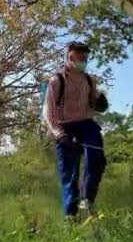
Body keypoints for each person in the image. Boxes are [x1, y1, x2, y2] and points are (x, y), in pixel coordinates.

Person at [44, 41, 107, 219]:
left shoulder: (89, 80)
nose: (83, 61)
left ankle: (87, 200)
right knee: (70, 174)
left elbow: (96, 102)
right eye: (80, 58)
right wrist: (60, 134)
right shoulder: (57, 81)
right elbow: (48, 114)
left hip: (87, 125)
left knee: (96, 159)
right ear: (70, 58)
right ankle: (71, 217)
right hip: (65, 128)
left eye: (86, 58)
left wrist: (101, 103)